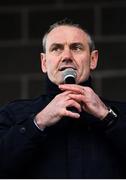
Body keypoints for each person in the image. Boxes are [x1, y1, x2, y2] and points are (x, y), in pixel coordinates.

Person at [0, 18, 126, 179]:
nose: (67, 56)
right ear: (44, 62)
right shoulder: (13, 114)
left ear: (93, 59)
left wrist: (108, 117)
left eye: (76, 48)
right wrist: (38, 122)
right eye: (56, 49)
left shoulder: (121, 113)